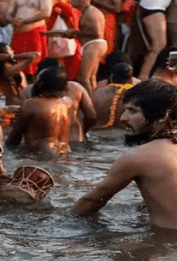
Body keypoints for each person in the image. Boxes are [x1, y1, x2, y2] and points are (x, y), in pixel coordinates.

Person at [74, 80, 177, 230]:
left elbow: (90, 202)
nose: (123, 117)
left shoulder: (137, 158)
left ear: (163, 116)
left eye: (133, 111)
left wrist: (56, 219)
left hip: (167, 241)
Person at [6, 67, 72, 155]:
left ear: (41, 84)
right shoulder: (66, 104)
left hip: (42, 156)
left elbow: (14, 139)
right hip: (66, 153)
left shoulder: (31, 104)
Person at [51, 0, 106, 91]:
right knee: (91, 78)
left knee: (83, 78)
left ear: (81, 1)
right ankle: (94, 99)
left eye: (73, 0)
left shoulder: (90, 13)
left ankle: (90, 103)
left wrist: (76, 32)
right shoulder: (89, 11)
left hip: (94, 45)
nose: (71, 3)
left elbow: (96, 33)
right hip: (94, 44)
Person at [136, 0, 177, 79]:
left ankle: (145, 76)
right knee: (158, 46)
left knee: (157, 46)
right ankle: (144, 77)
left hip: (148, 8)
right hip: (154, 9)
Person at [7, 0, 53, 75]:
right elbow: (8, 14)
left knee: (35, 60)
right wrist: (12, 20)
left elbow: (46, 13)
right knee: (17, 59)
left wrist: (25, 21)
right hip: (18, 33)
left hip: (35, 32)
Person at [91, 63, 134, 129]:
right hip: (125, 135)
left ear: (111, 77)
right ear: (131, 79)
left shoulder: (98, 93)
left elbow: (89, 117)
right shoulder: (136, 95)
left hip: (98, 135)